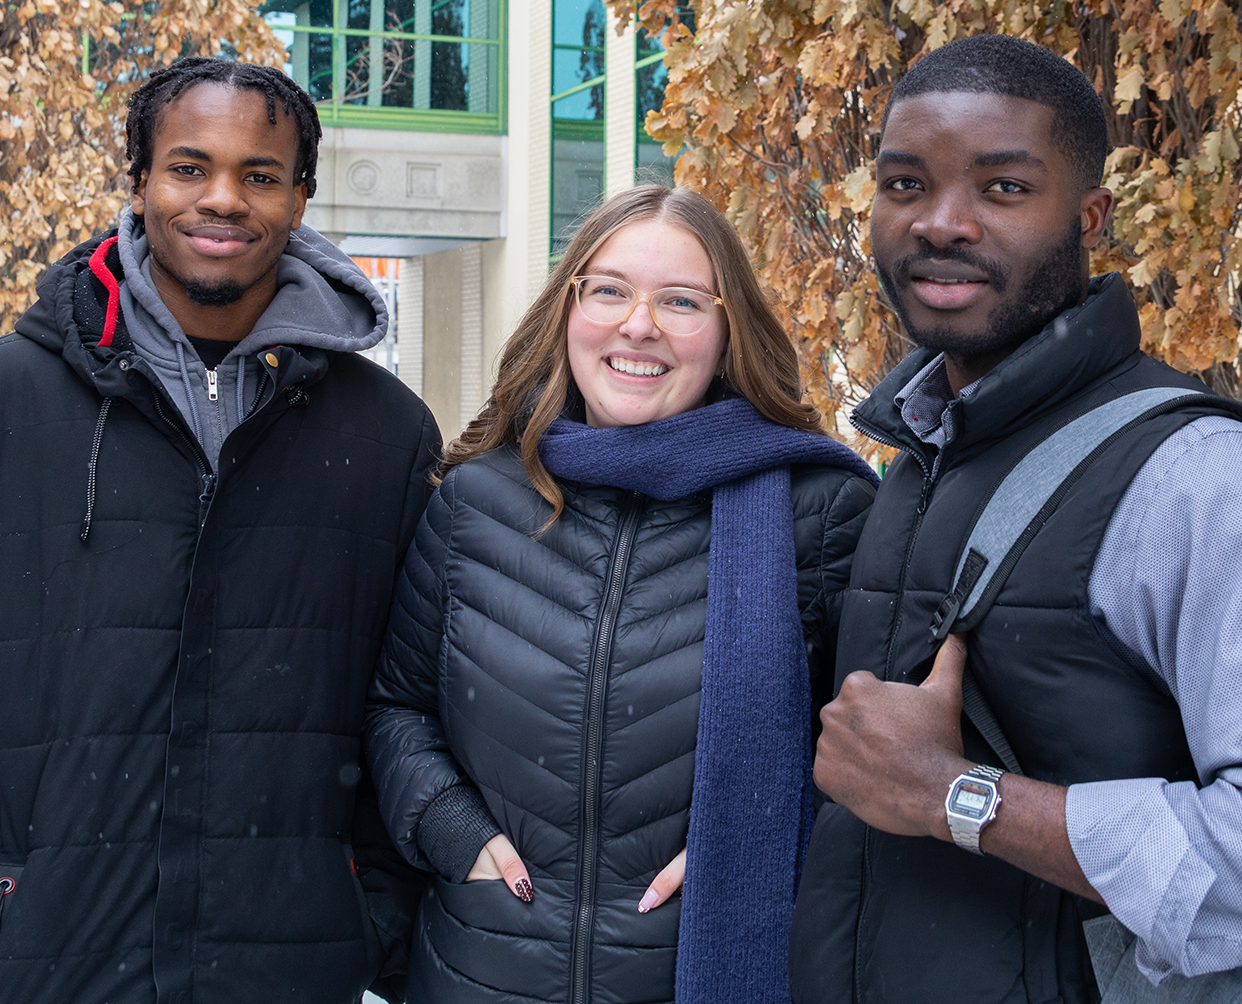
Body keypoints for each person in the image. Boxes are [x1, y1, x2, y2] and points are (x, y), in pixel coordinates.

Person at [789, 36, 1242, 1002]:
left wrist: (958, 797)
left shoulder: (1196, 475)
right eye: (906, 183)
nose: (941, 222)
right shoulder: (922, 457)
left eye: (1003, 187)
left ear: (1090, 218)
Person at [0, 57, 441, 1004]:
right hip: (37, 979)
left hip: (286, 973)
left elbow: (411, 707)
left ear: (300, 198)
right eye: (189, 167)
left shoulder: (386, 437)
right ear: (140, 182)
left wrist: (364, 919)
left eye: (260, 174)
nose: (222, 198)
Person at [367, 183, 879, 1004]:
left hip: (699, 971)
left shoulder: (815, 512)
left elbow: (874, 751)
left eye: (681, 300)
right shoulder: (475, 501)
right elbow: (397, 706)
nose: (639, 325)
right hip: (479, 972)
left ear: (728, 330)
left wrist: (757, 848)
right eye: (608, 290)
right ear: (568, 309)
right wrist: (448, 824)